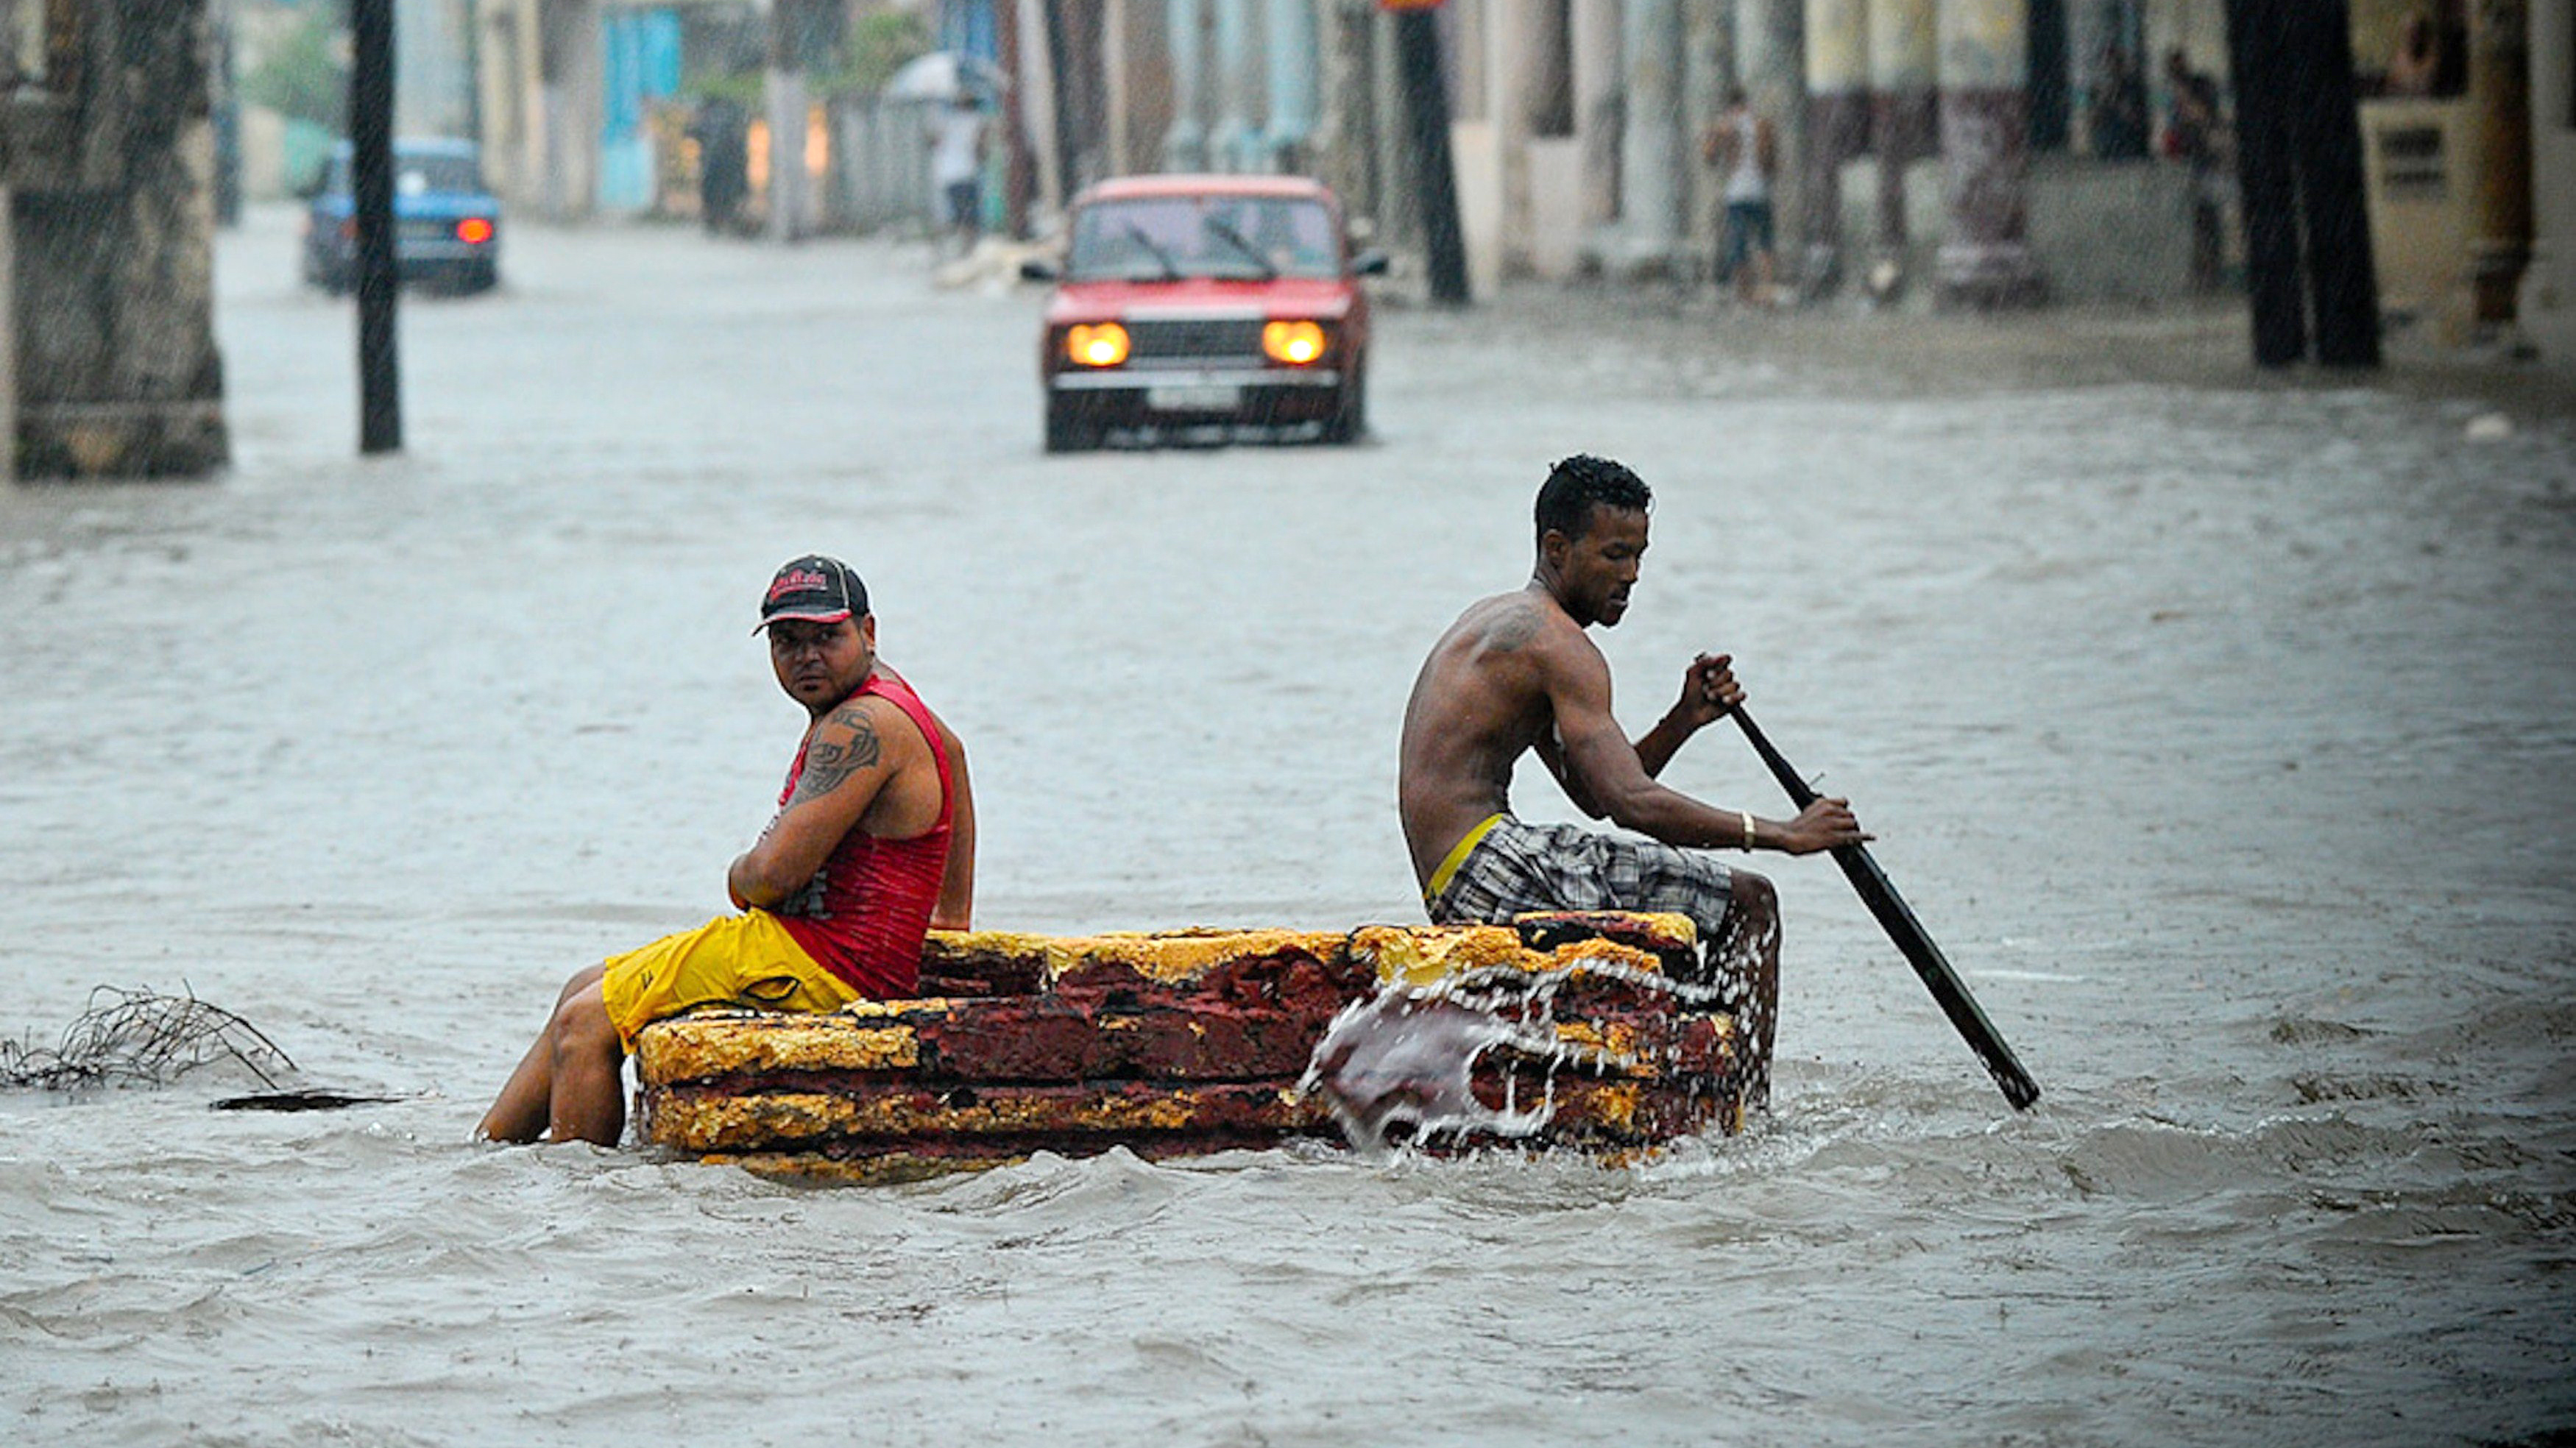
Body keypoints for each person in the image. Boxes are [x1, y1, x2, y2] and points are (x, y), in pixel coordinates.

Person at [1396, 455, 1869, 1104]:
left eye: (1640, 555)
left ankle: (1680, 1091)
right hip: (1490, 866)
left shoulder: (1512, 625)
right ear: (1556, 549)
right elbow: (1628, 802)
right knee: (1750, 904)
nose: (1632, 575)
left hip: (1462, 875)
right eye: (1615, 554)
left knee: (1690, 919)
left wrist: (1683, 720)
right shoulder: (1559, 647)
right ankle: (1743, 1114)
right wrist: (1782, 833)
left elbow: (1593, 792)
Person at [478, 556, 977, 1146]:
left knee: (584, 1025)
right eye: (788, 641)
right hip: (815, 951)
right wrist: (952, 915)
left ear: (868, 633)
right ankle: (482, 1161)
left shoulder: (861, 723)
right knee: (582, 986)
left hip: (829, 964)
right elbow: (956, 752)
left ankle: (578, 1207)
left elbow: (771, 877)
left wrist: (738, 875)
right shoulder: (888, 692)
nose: (807, 657)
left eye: (827, 637)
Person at [1701, 88, 1779, 305]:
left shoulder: (1724, 127)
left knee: (1738, 243)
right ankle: (1767, 288)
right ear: (1747, 103)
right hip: (1761, 191)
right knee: (1765, 242)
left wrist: (1713, 136)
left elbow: (1709, 157)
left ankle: (1744, 292)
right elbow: (1772, 160)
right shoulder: (1762, 124)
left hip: (1736, 193)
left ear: (1730, 106)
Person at [2162, 49, 2228, 292]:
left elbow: (2203, 117)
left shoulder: (2197, 88)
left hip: (2204, 160)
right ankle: (2201, 270)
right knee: (2195, 218)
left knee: (2207, 215)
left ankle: (2211, 271)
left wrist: (2184, 95)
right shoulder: (2174, 95)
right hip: (2186, 161)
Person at [927, 96, 988, 254]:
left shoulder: (944, 120)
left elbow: (933, 143)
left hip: (947, 173)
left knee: (955, 213)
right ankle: (968, 248)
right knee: (970, 215)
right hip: (967, 172)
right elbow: (980, 150)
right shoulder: (976, 120)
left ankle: (941, 245)